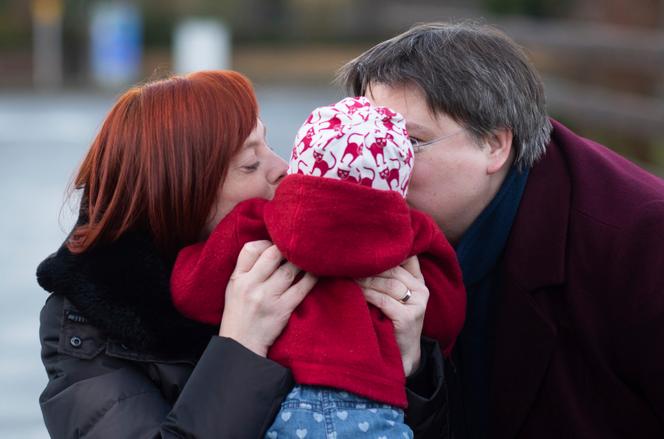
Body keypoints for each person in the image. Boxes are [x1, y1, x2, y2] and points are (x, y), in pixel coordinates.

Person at [35, 71, 449, 438]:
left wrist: (411, 365)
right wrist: (240, 345)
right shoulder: (83, 326)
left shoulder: (300, 259)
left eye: (268, 144)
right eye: (251, 164)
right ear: (181, 194)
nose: (284, 168)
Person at [337, 21, 664, 439]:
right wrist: (416, 374)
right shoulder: (361, 226)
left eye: (410, 143)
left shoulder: (639, 244)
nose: (376, 165)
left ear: (494, 144)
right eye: (367, 137)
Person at [169, 96, 466, 438]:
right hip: (376, 403)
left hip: (285, 404)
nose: (278, 165)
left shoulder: (256, 222)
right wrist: (422, 349)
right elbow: (445, 310)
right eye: (252, 162)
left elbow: (192, 291)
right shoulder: (414, 232)